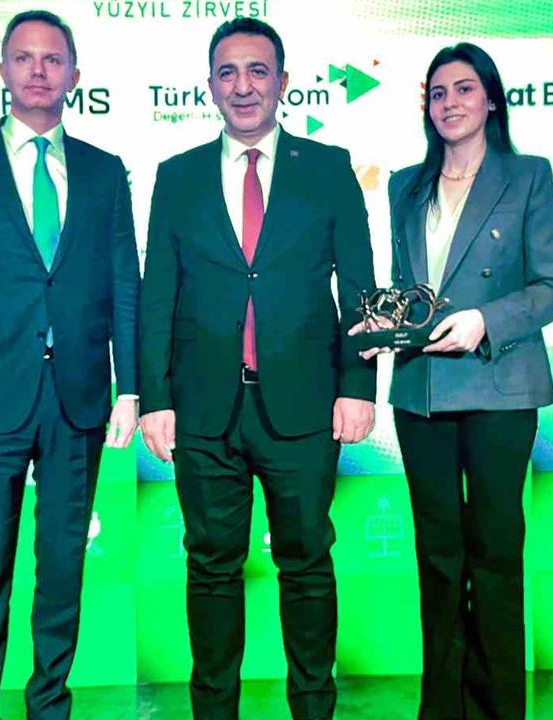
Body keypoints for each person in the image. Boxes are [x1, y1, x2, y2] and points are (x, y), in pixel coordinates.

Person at [138, 17, 376, 720]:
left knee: (307, 564)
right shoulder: (177, 176)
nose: (243, 86)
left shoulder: (327, 168)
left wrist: (358, 387)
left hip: (304, 406)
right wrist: (155, 397)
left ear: (283, 82)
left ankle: (314, 710)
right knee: (210, 568)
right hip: (203, 410)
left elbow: (359, 288)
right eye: (228, 72)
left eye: (257, 71)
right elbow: (158, 294)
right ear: (211, 85)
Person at [0, 9, 139, 720]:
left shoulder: (104, 170)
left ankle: (49, 706)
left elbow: (125, 286)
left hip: (78, 399)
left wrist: (130, 387)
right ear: (3, 71)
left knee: (63, 570)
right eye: (24, 58)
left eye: (53, 59)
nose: (39, 70)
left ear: (75, 75)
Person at [353, 42, 553, 719]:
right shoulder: (405, 185)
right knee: (438, 557)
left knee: (496, 556)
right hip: (422, 390)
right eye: (439, 92)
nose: (450, 102)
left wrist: (485, 321)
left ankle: (499, 708)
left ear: (492, 100)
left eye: (465, 89)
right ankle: (442, 709)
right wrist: (383, 322)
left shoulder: (528, 176)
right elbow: (411, 291)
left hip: (499, 385)